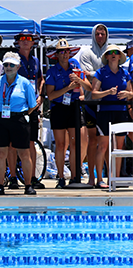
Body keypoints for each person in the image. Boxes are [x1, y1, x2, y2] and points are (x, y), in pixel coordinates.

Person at [0, 52, 38, 196]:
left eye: (11, 65)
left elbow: (32, 104)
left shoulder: (25, 83)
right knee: (1, 153)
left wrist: (21, 116)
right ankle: (0, 185)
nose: (8, 67)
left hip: (19, 119)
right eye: (6, 65)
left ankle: (28, 185)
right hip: (0, 119)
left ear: (18, 66)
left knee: (24, 152)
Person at [46, 39, 92, 188]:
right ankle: (60, 176)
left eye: (66, 51)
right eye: (61, 52)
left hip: (73, 106)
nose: (64, 54)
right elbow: (51, 95)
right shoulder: (52, 71)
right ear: (57, 54)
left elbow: (88, 87)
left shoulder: (75, 66)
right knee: (60, 145)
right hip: (59, 108)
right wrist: (68, 88)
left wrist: (79, 80)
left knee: (76, 143)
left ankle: (74, 175)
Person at [91, 45, 133, 188]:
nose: (114, 55)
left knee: (119, 147)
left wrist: (127, 94)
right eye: (111, 53)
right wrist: (107, 92)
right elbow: (94, 93)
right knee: (102, 146)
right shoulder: (101, 72)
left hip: (121, 111)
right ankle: (100, 180)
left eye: (116, 52)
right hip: (105, 111)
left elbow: (131, 92)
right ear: (107, 57)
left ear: (120, 57)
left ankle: (114, 178)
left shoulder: (124, 73)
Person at [11, 29, 45, 189]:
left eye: (29, 38)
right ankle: (12, 178)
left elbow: (40, 79)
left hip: (33, 108)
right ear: (18, 41)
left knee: (31, 142)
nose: (26, 41)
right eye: (22, 38)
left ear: (33, 42)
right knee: (12, 143)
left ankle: (31, 178)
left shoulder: (36, 61)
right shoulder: (13, 59)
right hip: (16, 108)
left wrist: (40, 96)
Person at [78, 24, 109, 187]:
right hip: (91, 102)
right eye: (97, 34)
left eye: (102, 34)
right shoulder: (86, 52)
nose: (100, 36)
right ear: (93, 35)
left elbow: (95, 75)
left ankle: (107, 178)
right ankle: (92, 178)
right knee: (92, 141)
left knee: (106, 142)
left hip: (108, 104)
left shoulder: (111, 51)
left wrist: (97, 75)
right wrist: (105, 74)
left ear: (106, 35)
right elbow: (87, 75)